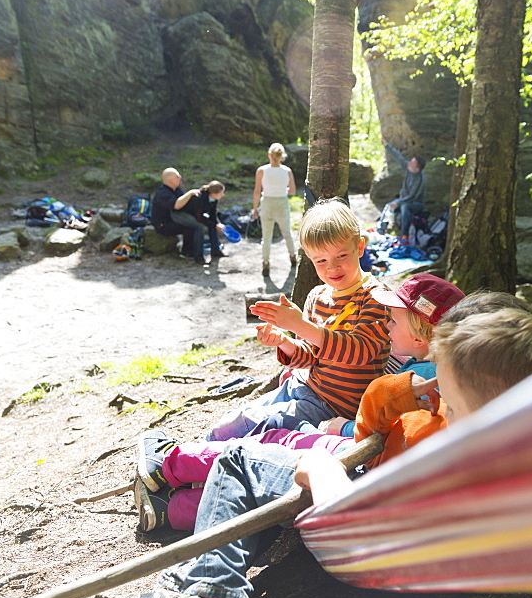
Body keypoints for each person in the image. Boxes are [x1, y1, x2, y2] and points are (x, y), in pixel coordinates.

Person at [102, 306, 532, 598]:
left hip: (363, 547)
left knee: (237, 462)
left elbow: (362, 528)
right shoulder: (516, 455)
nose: (434, 399)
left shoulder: (454, 460)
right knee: (255, 477)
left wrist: (325, 472)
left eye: (445, 392)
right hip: (380, 518)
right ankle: (191, 594)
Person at [132, 274, 466, 533]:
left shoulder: (422, 382)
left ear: (421, 336)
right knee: (264, 487)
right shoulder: (434, 369)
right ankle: (172, 510)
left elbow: (383, 433)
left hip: (360, 463)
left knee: (268, 449)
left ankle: (167, 463)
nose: (386, 325)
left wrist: (345, 426)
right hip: (364, 466)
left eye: (393, 320)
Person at [204, 199, 392, 442]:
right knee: (231, 422)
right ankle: (194, 458)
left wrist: (300, 325)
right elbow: (310, 357)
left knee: (247, 429)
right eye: (320, 261)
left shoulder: (375, 295)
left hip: (333, 407)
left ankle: (199, 464)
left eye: (341, 255)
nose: (332, 268)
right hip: (301, 387)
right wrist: (284, 342)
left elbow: (360, 352)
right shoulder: (317, 296)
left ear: (360, 247)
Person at [251, 143, 297, 277]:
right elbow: (293, 191)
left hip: (267, 203)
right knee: (287, 232)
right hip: (282, 202)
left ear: (269, 155)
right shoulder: (287, 171)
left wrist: (255, 208)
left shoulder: (261, 170)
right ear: (282, 156)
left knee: (266, 236)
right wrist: (281, 190)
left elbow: (257, 191)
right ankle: (293, 257)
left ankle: (265, 263)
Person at [150, 168, 211, 264]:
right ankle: (192, 254)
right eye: (177, 177)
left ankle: (188, 251)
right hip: (163, 225)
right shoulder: (163, 193)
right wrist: (190, 193)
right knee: (194, 226)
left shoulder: (176, 190)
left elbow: (184, 205)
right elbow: (176, 205)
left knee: (195, 222)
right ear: (170, 180)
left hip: (175, 218)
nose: (180, 178)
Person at [380, 136, 426, 237]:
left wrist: (399, 203)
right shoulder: (409, 168)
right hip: (404, 199)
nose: (408, 163)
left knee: (405, 207)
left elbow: (412, 197)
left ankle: (404, 234)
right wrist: (387, 146)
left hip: (416, 203)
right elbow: (399, 157)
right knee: (389, 205)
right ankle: (381, 229)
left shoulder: (419, 179)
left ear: (417, 169)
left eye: (412, 163)